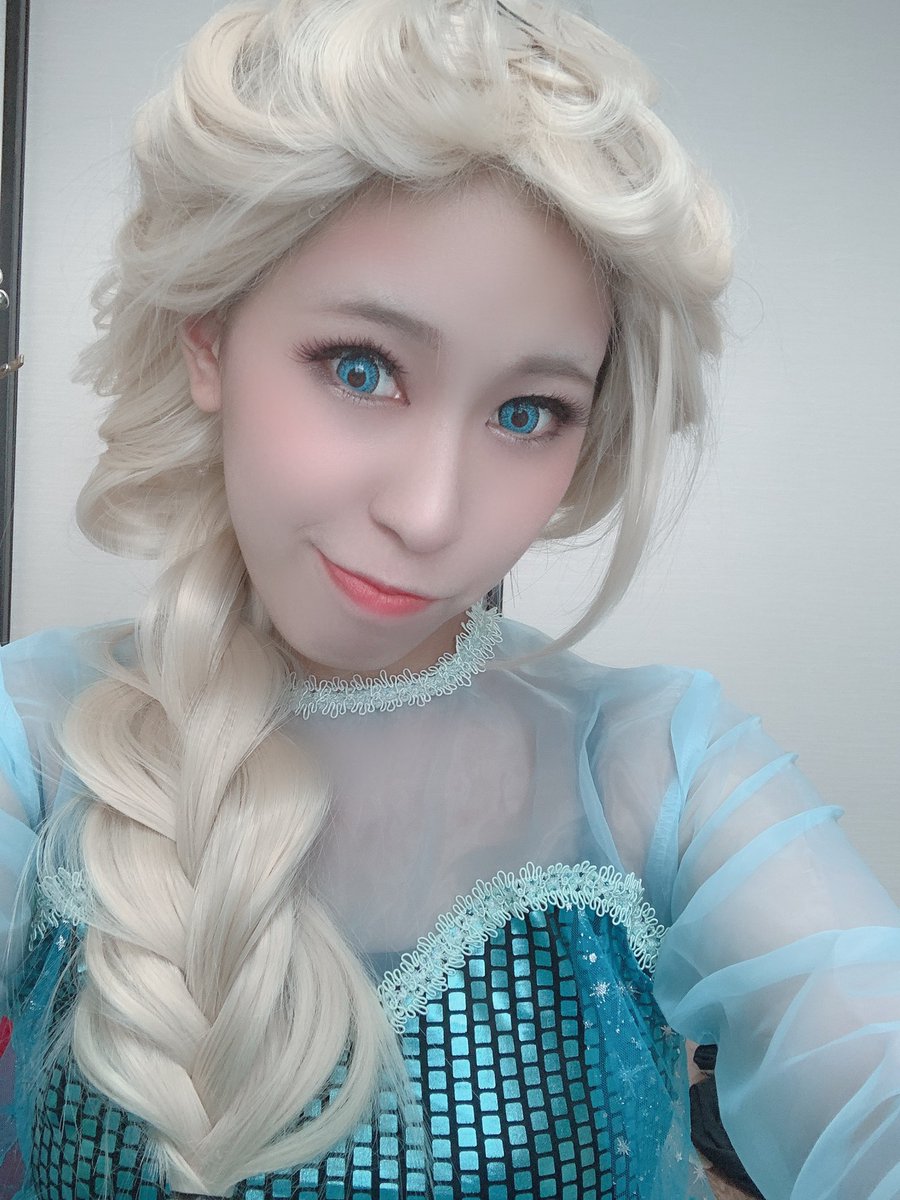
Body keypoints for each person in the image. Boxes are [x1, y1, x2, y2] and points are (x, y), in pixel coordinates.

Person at [0, 1, 898, 1198]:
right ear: (208, 339)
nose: (431, 515)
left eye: (528, 412)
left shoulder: (657, 766)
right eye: (361, 369)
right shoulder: (36, 739)